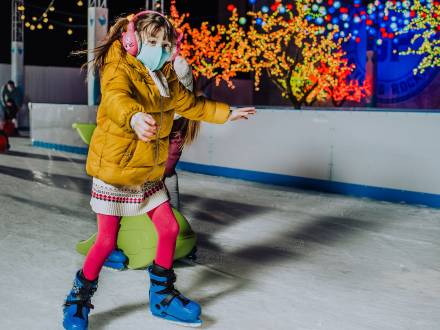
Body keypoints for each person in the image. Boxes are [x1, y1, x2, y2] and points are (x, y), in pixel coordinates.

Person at [62, 10, 256, 330]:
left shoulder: (164, 74)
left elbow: (191, 104)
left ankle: (162, 296)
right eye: (153, 42)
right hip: (117, 170)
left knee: (168, 228)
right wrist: (135, 117)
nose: (161, 49)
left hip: (148, 173)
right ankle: (77, 300)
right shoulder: (119, 67)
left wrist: (227, 113)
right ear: (132, 41)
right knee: (106, 243)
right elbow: (115, 99)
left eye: (166, 44)